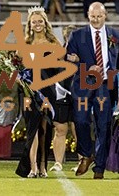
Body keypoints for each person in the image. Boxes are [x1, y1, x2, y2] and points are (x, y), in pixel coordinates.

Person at [66, 2, 119, 179]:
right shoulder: (77, 35)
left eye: (99, 16)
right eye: (93, 16)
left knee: (104, 126)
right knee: (81, 121)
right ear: (88, 15)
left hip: (105, 86)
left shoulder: (116, 35)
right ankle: (86, 154)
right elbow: (68, 59)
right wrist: (86, 67)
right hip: (83, 85)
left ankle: (99, 168)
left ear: (105, 15)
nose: (95, 19)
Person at [15, 6, 60, 178]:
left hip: (47, 90)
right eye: (34, 22)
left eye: (40, 21)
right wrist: (18, 77)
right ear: (30, 24)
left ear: (45, 23)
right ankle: (32, 167)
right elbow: (16, 66)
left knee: (45, 128)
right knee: (32, 129)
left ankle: (43, 166)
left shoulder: (53, 43)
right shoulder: (23, 44)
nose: (37, 24)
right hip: (27, 91)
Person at [49, 24, 78, 172]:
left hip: (79, 94)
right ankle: (58, 162)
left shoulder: (85, 52)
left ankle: (81, 161)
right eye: (69, 36)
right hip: (61, 93)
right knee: (60, 128)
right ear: (65, 37)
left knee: (77, 127)